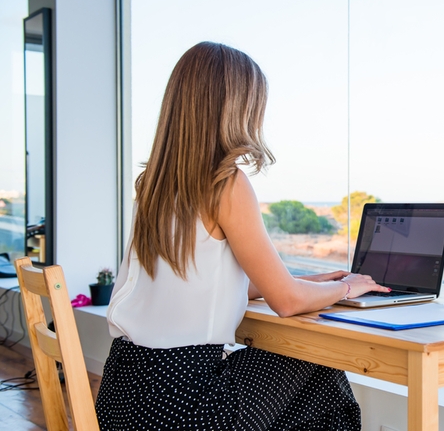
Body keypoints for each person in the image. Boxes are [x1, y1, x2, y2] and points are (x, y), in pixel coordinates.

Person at [95, 41, 390, 430]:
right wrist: (347, 287)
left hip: (123, 395)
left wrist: (298, 282)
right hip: (184, 404)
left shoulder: (153, 184)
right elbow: (286, 303)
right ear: (236, 108)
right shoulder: (225, 183)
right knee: (321, 366)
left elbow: (196, 281)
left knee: (315, 388)